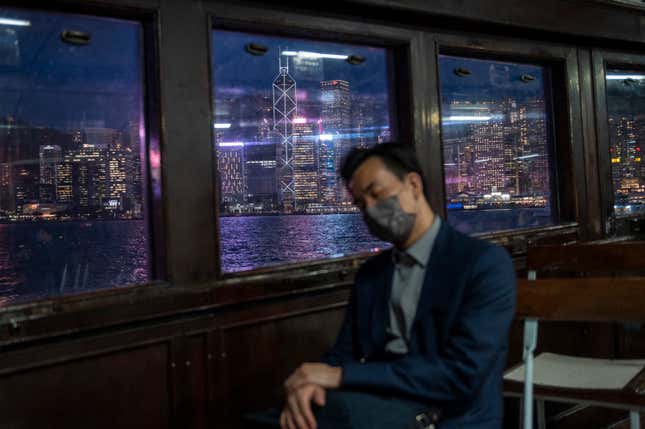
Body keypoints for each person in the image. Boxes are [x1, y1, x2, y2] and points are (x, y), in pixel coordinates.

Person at [280, 143, 516, 429]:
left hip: (452, 416)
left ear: (414, 185)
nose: (369, 209)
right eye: (359, 203)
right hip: (379, 404)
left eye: (377, 194)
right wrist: (312, 384)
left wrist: (340, 376)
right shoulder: (372, 273)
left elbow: (461, 376)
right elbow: (343, 352)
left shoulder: (483, 264)